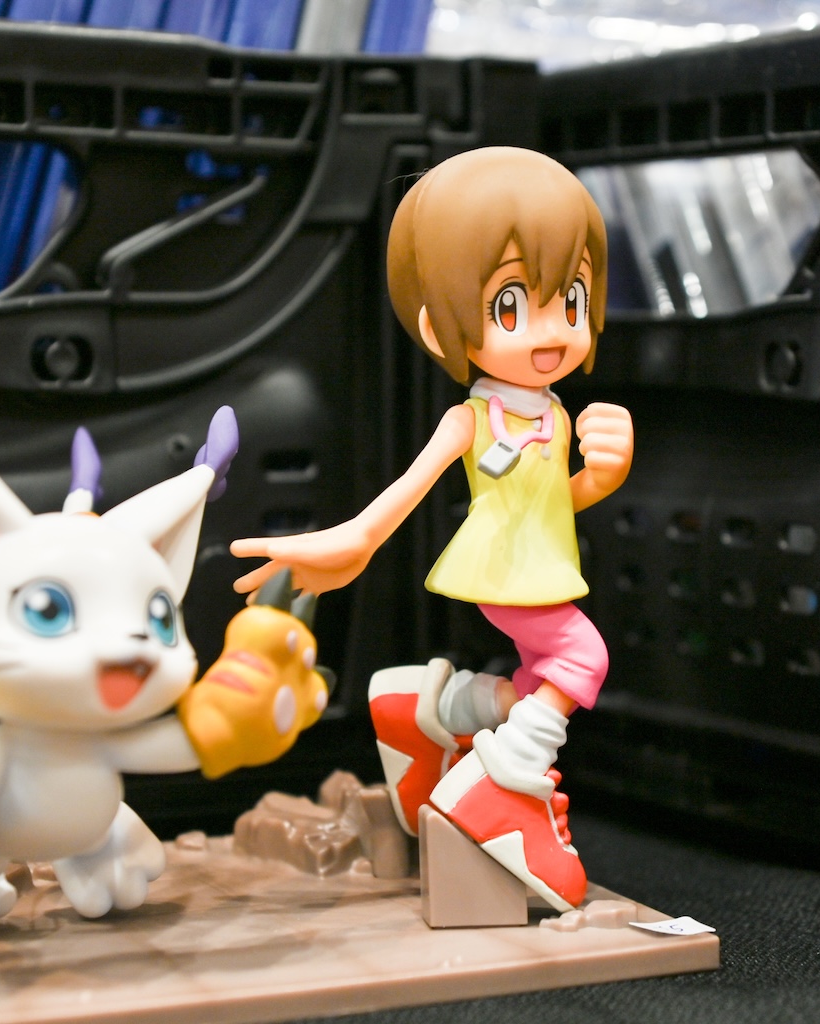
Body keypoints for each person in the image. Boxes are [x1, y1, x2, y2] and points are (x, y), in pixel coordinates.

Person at [231, 146, 633, 912]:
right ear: (435, 320)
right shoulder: (473, 418)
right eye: (511, 307)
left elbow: (553, 503)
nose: (551, 332)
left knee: (537, 684)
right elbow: (407, 491)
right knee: (584, 655)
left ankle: (432, 709)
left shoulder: (554, 414)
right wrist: (355, 540)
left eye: (572, 300)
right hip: (502, 569)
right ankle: (506, 784)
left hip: (539, 561)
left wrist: (602, 479)